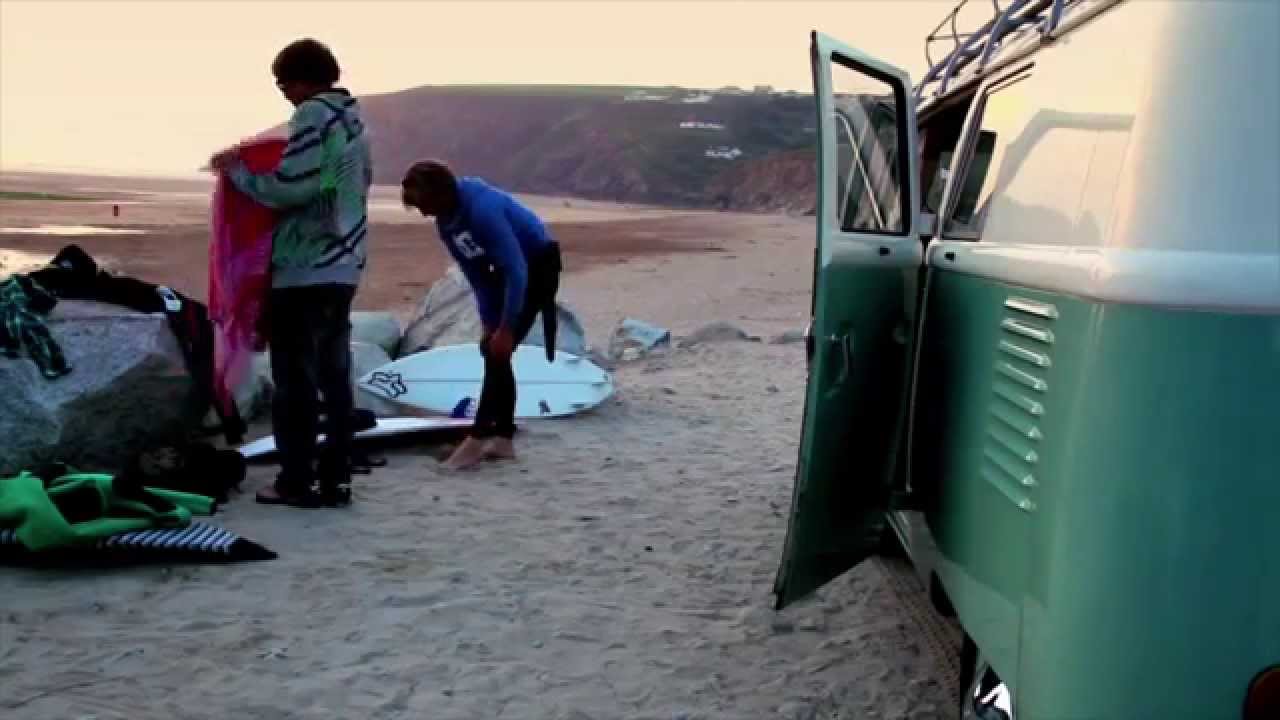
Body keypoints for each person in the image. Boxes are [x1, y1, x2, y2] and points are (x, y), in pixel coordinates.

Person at [210, 38, 372, 507]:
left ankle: (296, 481)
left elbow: (293, 188)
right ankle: (337, 479)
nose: (283, 93)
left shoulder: (314, 115)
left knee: (295, 381)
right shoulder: (355, 121)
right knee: (335, 378)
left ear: (303, 79)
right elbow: (336, 186)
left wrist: (240, 173)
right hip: (345, 264)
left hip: (305, 268)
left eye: (284, 83)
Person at [400, 160, 563, 470]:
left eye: (424, 204)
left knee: (499, 352)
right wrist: (490, 322)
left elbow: (516, 270)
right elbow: (477, 273)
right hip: (506, 272)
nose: (422, 213)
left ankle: (477, 439)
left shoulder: (482, 210)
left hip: (537, 267)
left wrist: (507, 327)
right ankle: (502, 441)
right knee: (491, 349)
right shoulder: (446, 221)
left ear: (441, 193)